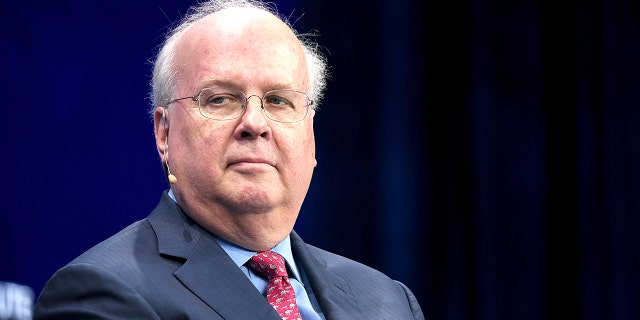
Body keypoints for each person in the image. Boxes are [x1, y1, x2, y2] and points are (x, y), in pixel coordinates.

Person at [33, 0, 425, 319]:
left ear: (311, 137)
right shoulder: (101, 294)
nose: (255, 124)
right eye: (220, 99)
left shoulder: (388, 302)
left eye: (278, 100)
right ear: (164, 135)